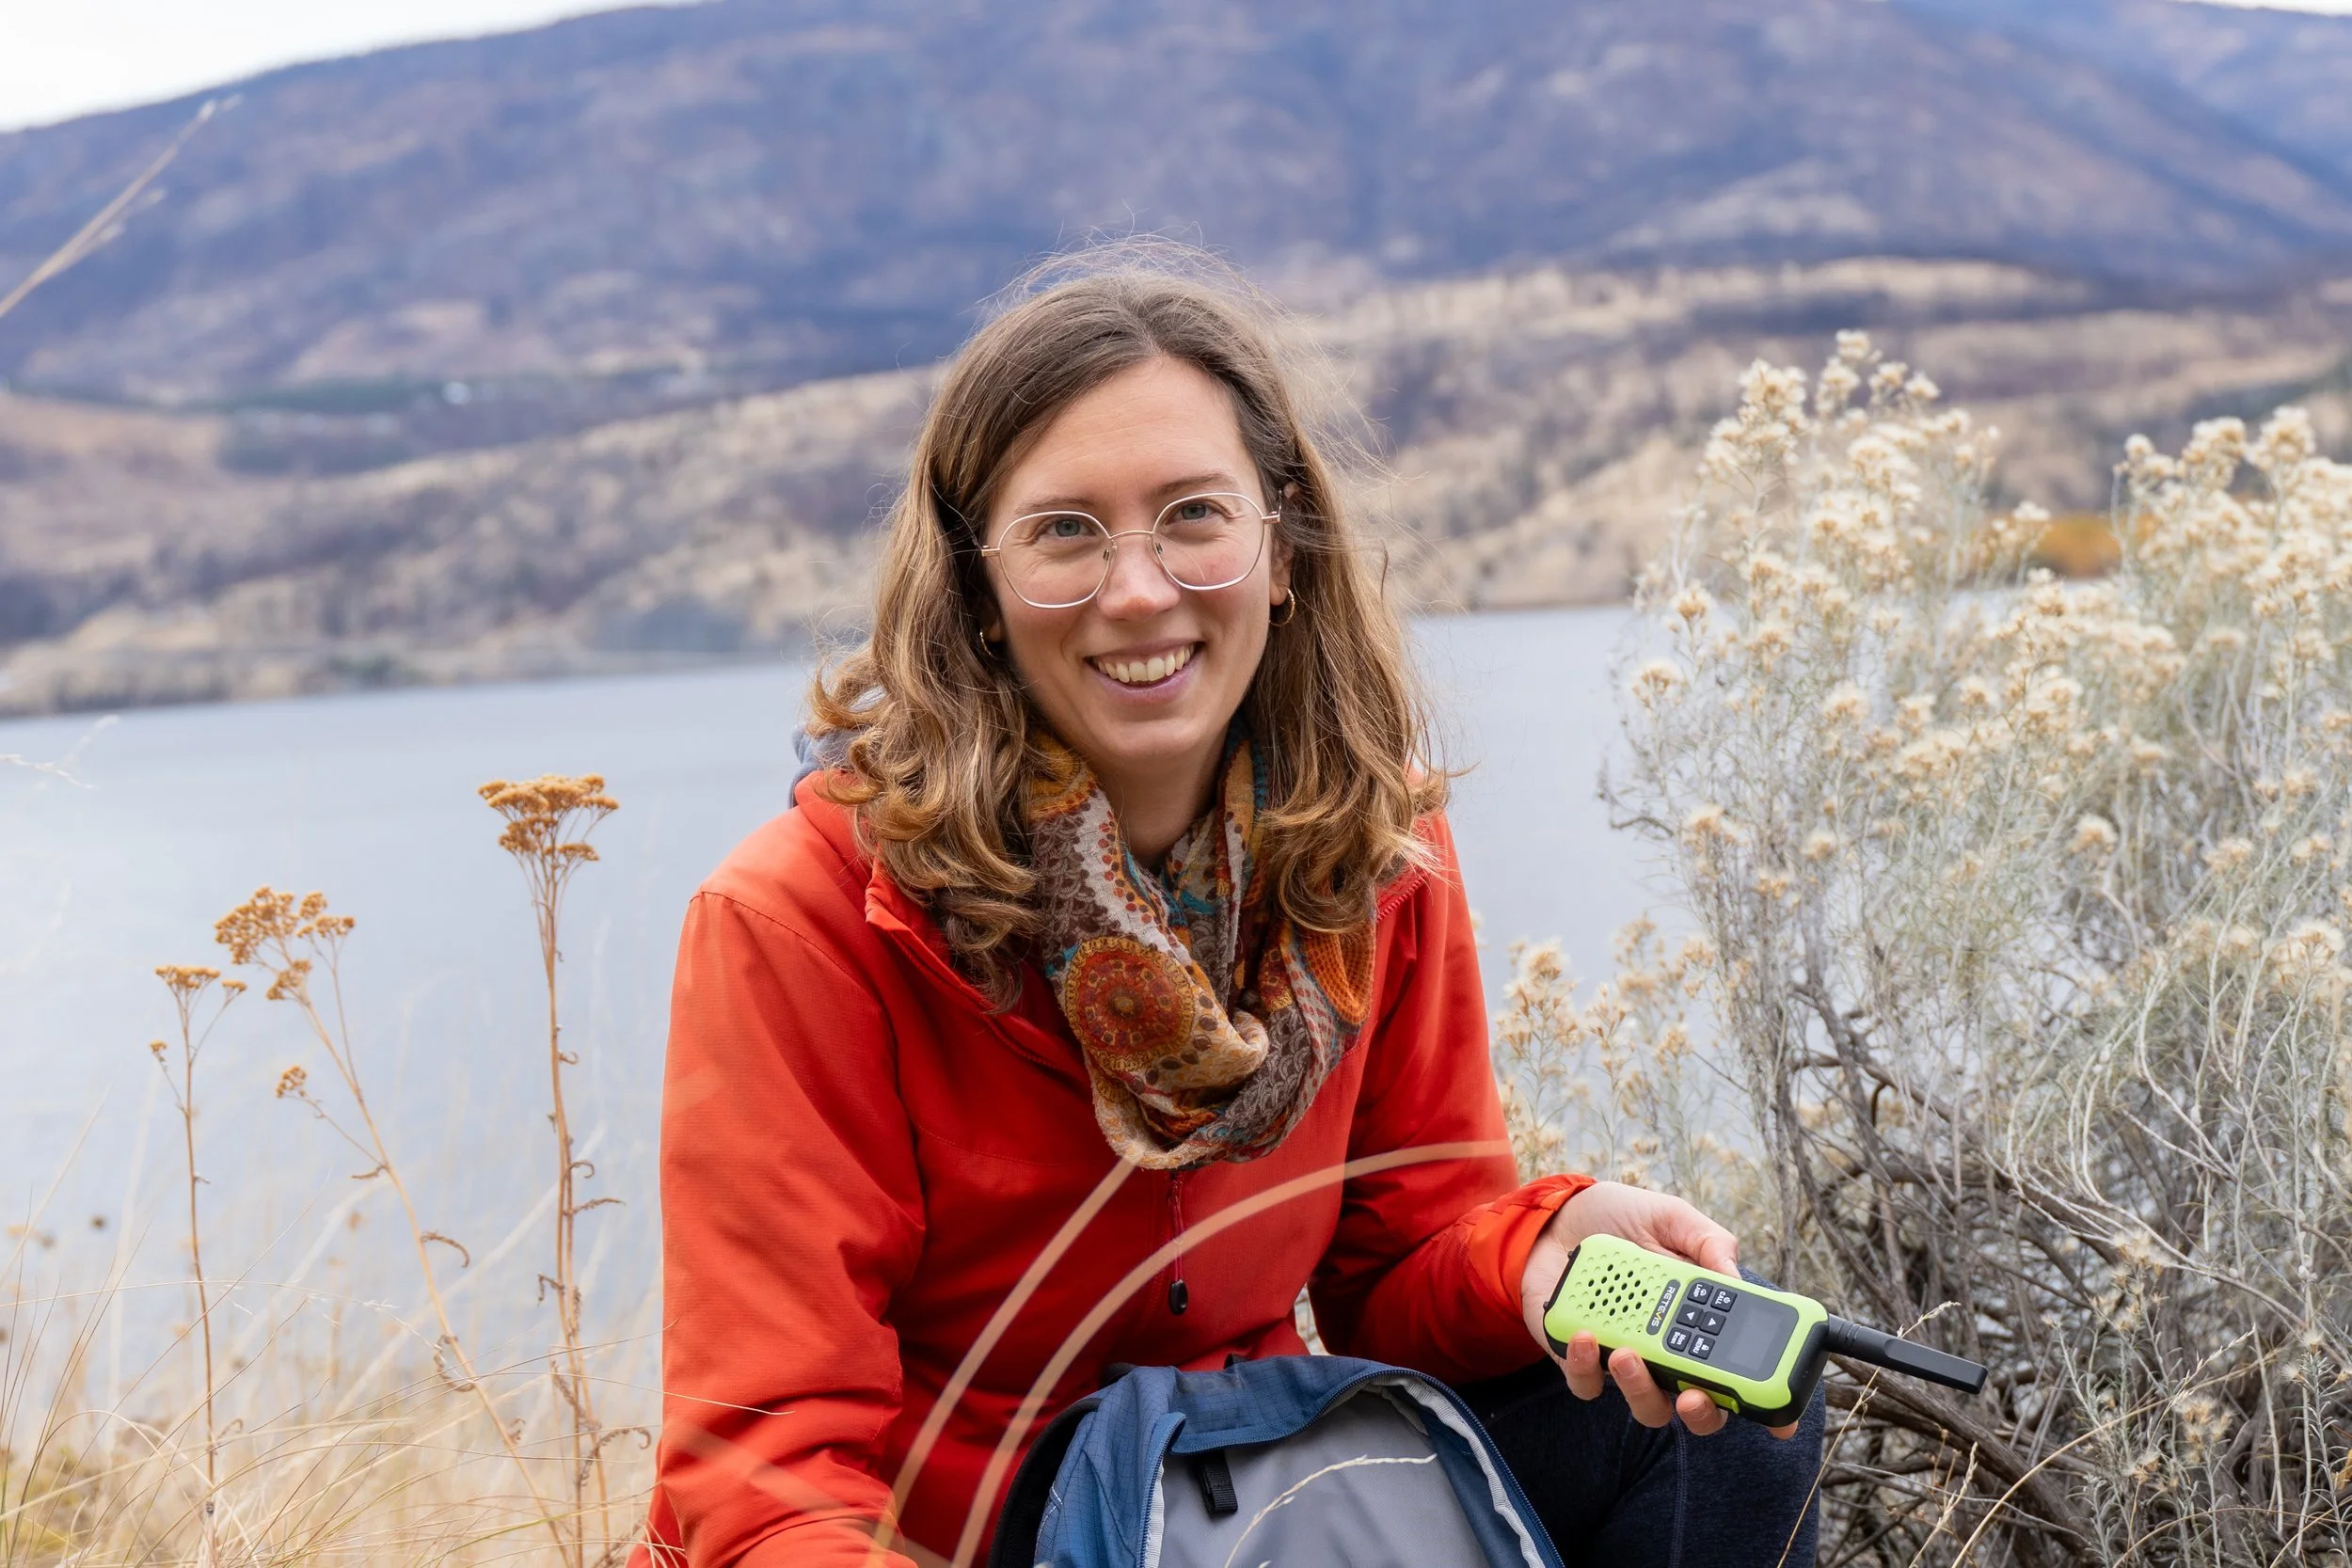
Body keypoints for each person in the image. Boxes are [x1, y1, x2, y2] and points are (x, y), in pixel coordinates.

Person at [637, 251, 1825, 1568]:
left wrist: (1543, 1258)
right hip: (976, 1536)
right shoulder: (801, 922)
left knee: (1718, 1423)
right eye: (1065, 531)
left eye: (1193, 514)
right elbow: (769, 1474)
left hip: (1258, 1495)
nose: (1140, 590)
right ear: (977, 591)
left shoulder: (1369, 849)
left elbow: (1399, 1269)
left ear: (1281, 548)